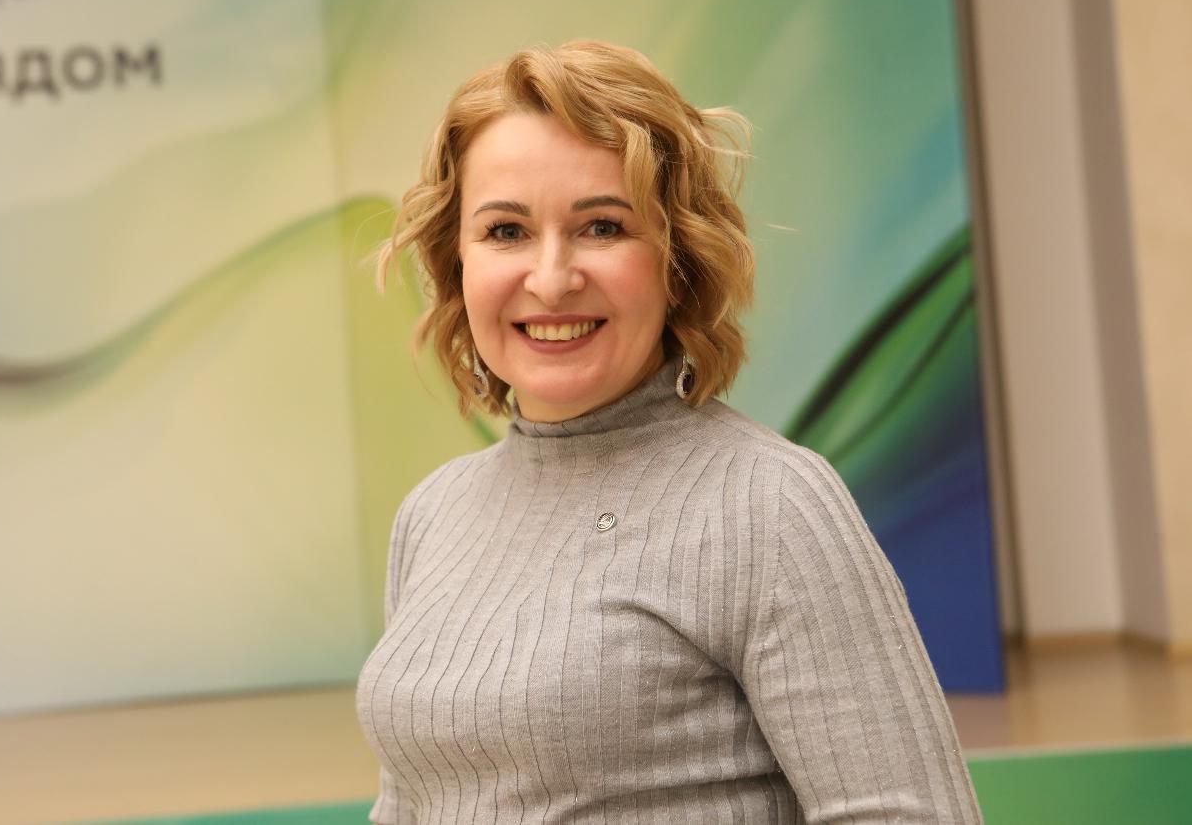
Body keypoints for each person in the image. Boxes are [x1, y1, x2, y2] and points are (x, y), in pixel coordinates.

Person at [357, 40, 982, 824]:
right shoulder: (432, 515)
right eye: (506, 231)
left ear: (677, 259)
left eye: (603, 227)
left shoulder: (769, 504)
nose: (551, 279)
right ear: (457, 261)